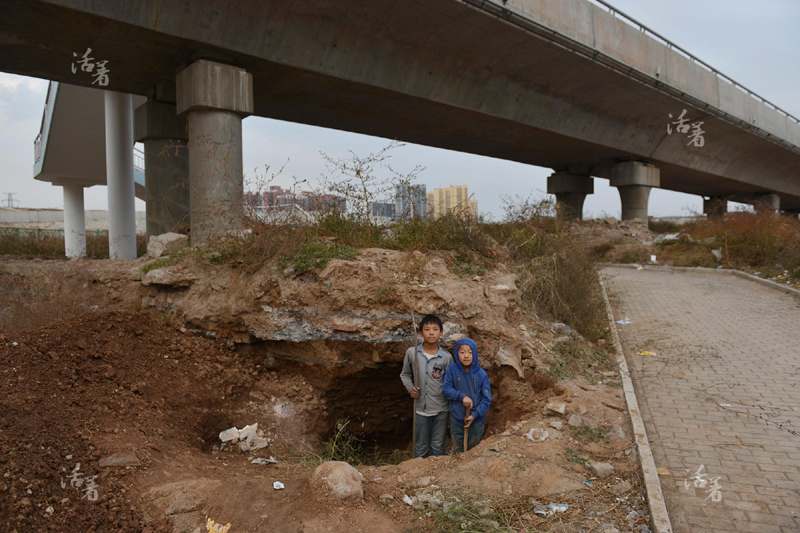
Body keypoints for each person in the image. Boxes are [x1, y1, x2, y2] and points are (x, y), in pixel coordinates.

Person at [400, 314, 453, 458]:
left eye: (435, 329)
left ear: (441, 332)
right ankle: (419, 476)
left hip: (441, 409)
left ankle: (439, 477)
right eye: (427, 329)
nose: (431, 332)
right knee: (421, 446)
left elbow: (450, 382)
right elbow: (405, 374)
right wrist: (411, 388)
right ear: (421, 332)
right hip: (420, 410)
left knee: (438, 445)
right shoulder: (412, 353)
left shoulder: (446, 357)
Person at [443, 337, 491, 454]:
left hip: (476, 421)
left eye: (470, 352)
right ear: (456, 353)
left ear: (474, 354)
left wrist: (474, 415)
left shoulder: (481, 375)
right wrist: (461, 396)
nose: (466, 356)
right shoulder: (452, 370)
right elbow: (446, 389)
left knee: (473, 450)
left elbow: (486, 399)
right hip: (457, 419)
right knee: (458, 450)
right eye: (462, 352)